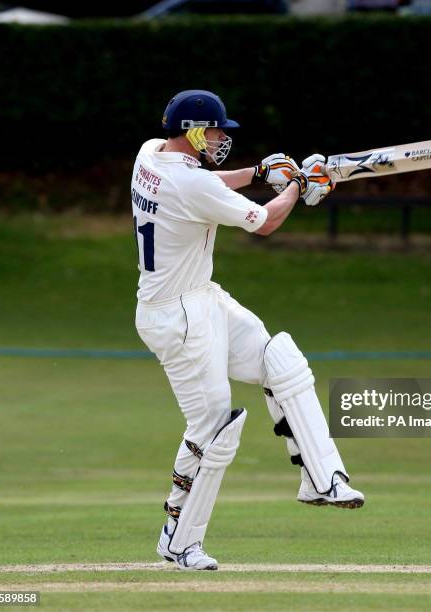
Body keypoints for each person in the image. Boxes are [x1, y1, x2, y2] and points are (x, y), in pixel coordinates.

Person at [132, 89, 364, 571]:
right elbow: (264, 222)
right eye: (215, 130)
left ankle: (323, 479)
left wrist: (261, 173)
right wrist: (300, 186)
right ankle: (178, 539)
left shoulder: (151, 153)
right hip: (177, 317)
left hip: (201, 296)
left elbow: (209, 182)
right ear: (192, 131)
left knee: (280, 362)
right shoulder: (190, 186)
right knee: (215, 429)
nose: (220, 138)